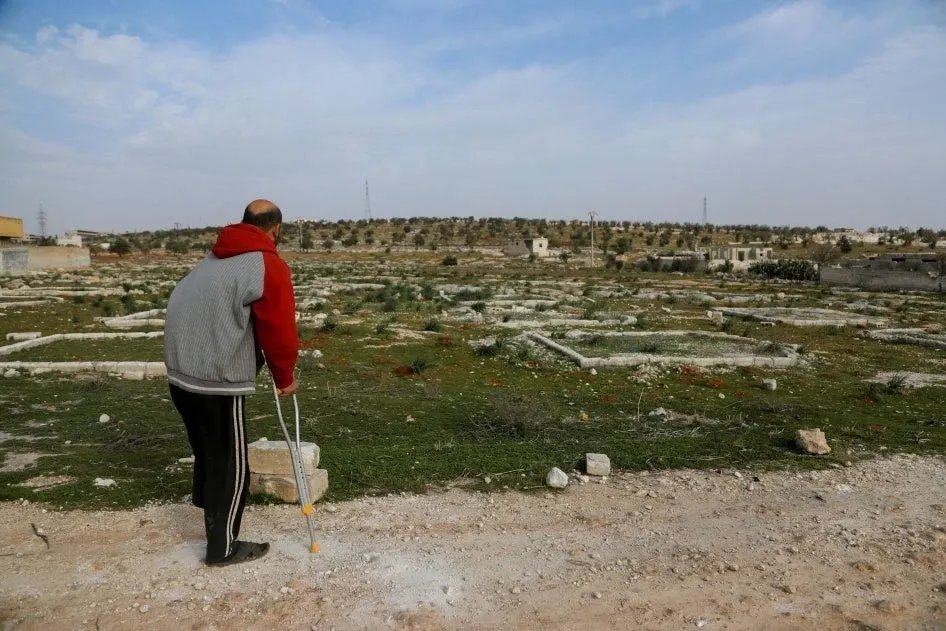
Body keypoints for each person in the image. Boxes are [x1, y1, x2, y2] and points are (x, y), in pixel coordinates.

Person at [164, 199, 299, 566]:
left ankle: (212, 515)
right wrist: (284, 376)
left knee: (209, 452)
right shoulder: (267, 263)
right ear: (276, 229)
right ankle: (222, 547)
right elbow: (279, 329)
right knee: (231, 463)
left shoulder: (213, 258)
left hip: (180, 373)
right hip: (215, 378)